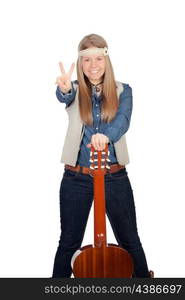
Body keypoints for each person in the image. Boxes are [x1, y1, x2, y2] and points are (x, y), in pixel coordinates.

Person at [52, 33, 154, 278]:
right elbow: (63, 95)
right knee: (68, 243)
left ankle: (144, 283)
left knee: (129, 239)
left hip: (114, 177)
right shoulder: (74, 90)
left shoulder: (123, 91)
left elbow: (123, 121)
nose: (93, 65)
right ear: (80, 63)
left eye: (99, 58)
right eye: (87, 60)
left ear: (107, 61)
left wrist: (106, 135)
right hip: (76, 177)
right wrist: (64, 89)